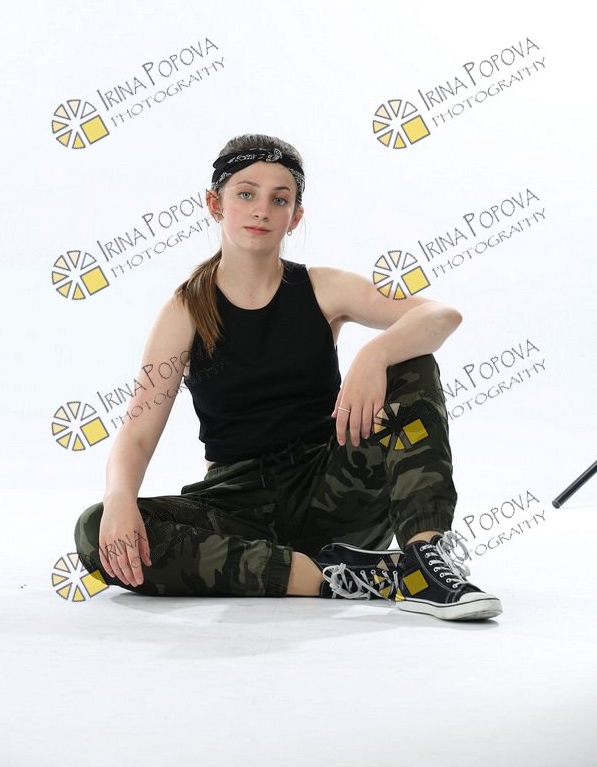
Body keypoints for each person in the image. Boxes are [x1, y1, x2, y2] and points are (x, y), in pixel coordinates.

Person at [74, 133, 502, 622]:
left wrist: (375, 353)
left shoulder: (322, 288)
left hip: (333, 490)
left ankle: (424, 562)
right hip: (237, 505)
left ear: (295, 216)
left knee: (411, 361)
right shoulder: (185, 310)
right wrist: (119, 499)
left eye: (280, 199)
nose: (262, 210)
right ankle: (344, 577)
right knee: (95, 529)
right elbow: (137, 433)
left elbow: (441, 314)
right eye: (246, 193)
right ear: (215, 203)